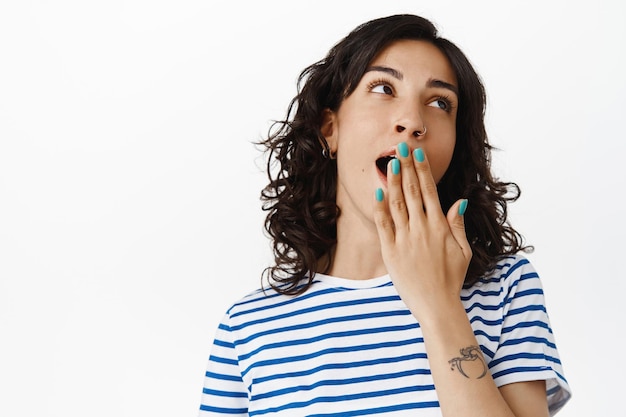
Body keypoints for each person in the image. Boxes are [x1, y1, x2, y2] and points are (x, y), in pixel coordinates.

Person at [197, 14, 571, 416]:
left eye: (440, 102)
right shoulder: (248, 328)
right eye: (383, 88)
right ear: (330, 127)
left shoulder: (505, 288)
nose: (412, 121)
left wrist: (439, 304)